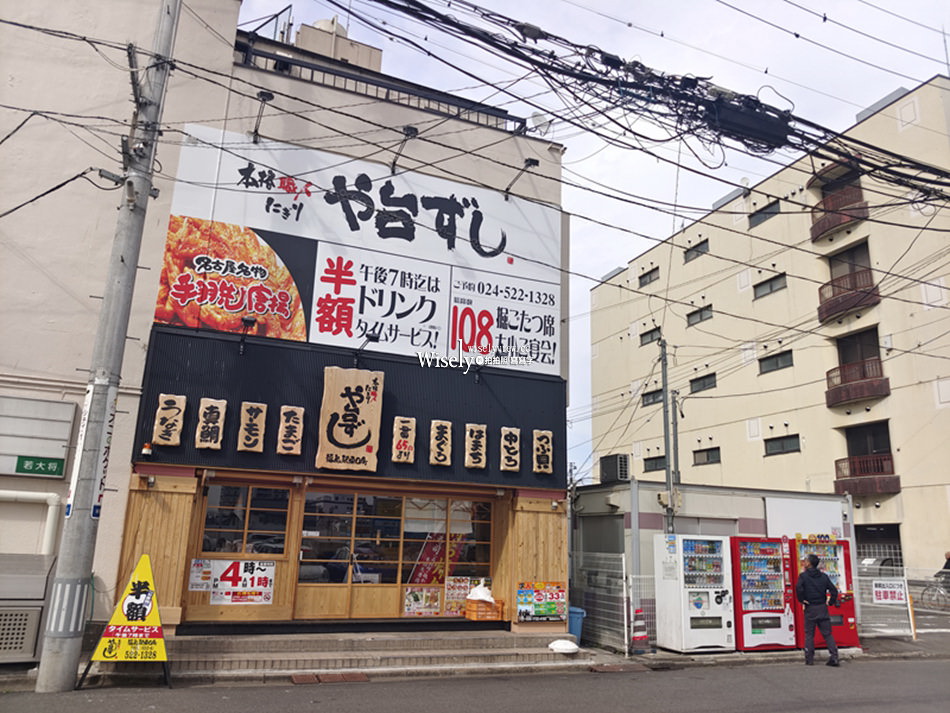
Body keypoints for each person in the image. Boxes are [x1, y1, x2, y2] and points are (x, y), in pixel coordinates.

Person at [795, 553, 840, 667]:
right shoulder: (824, 576)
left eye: (805, 561)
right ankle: (834, 657)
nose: (804, 562)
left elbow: (798, 589)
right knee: (828, 634)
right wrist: (830, 602)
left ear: (809, 563)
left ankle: (809, 659)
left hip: (810, 608)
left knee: (809, 634)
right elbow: (834, 591)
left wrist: (802, 600)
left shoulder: (803, 576)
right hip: (822, 608)